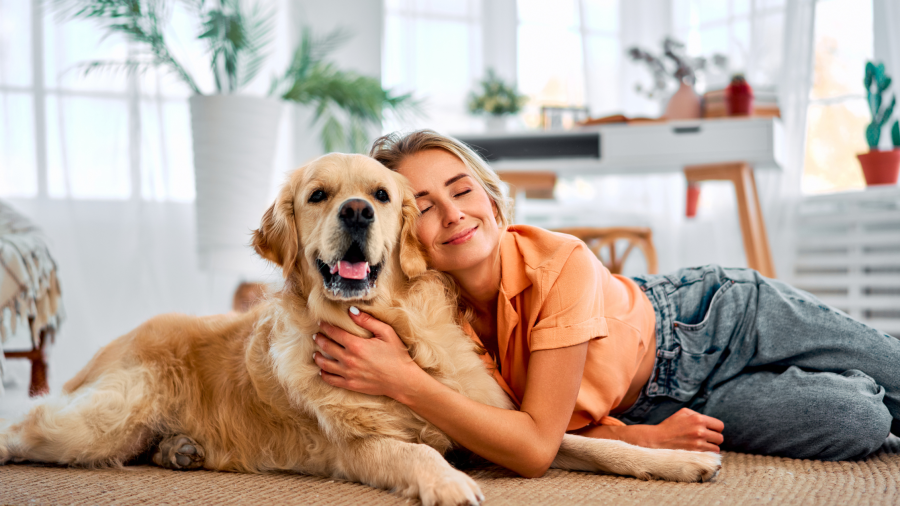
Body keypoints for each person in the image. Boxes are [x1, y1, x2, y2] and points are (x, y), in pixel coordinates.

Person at [311, 129, 900, 477]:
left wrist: (403, 380)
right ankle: (849, 380)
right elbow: (498, 435)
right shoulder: (430, 318)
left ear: (492, 201)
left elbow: (535, 445)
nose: (454, 213)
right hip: (652, 403)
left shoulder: (559, 261)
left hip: (711, 319)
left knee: (894, 370)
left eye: (463, 191)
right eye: (425, 206)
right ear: (399, 232)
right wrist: (635, 434)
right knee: (860, 420)